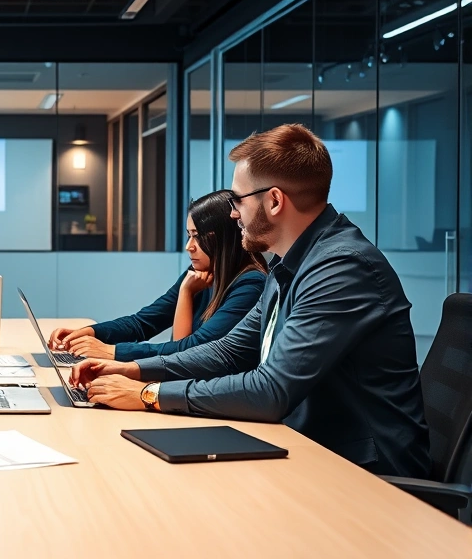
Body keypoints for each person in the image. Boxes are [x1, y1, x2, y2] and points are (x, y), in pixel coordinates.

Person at [71, 124, 431, 478]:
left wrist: (149, 394)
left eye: (237, 200)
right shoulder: (291, 263)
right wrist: (131, 371)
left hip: (364, 474)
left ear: (274, 201)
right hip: (311, 449)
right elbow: (227, 351)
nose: (232, 214)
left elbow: (270, 390)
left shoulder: (342, 269)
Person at [49, 190, 267, 362]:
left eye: (198, 237)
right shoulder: (201, 274)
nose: (189, 247)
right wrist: (90, 333)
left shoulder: (250, 285)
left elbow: (190, 350)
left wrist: (113, 352)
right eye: (189, 236)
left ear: (224, 238)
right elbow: (142, 323)